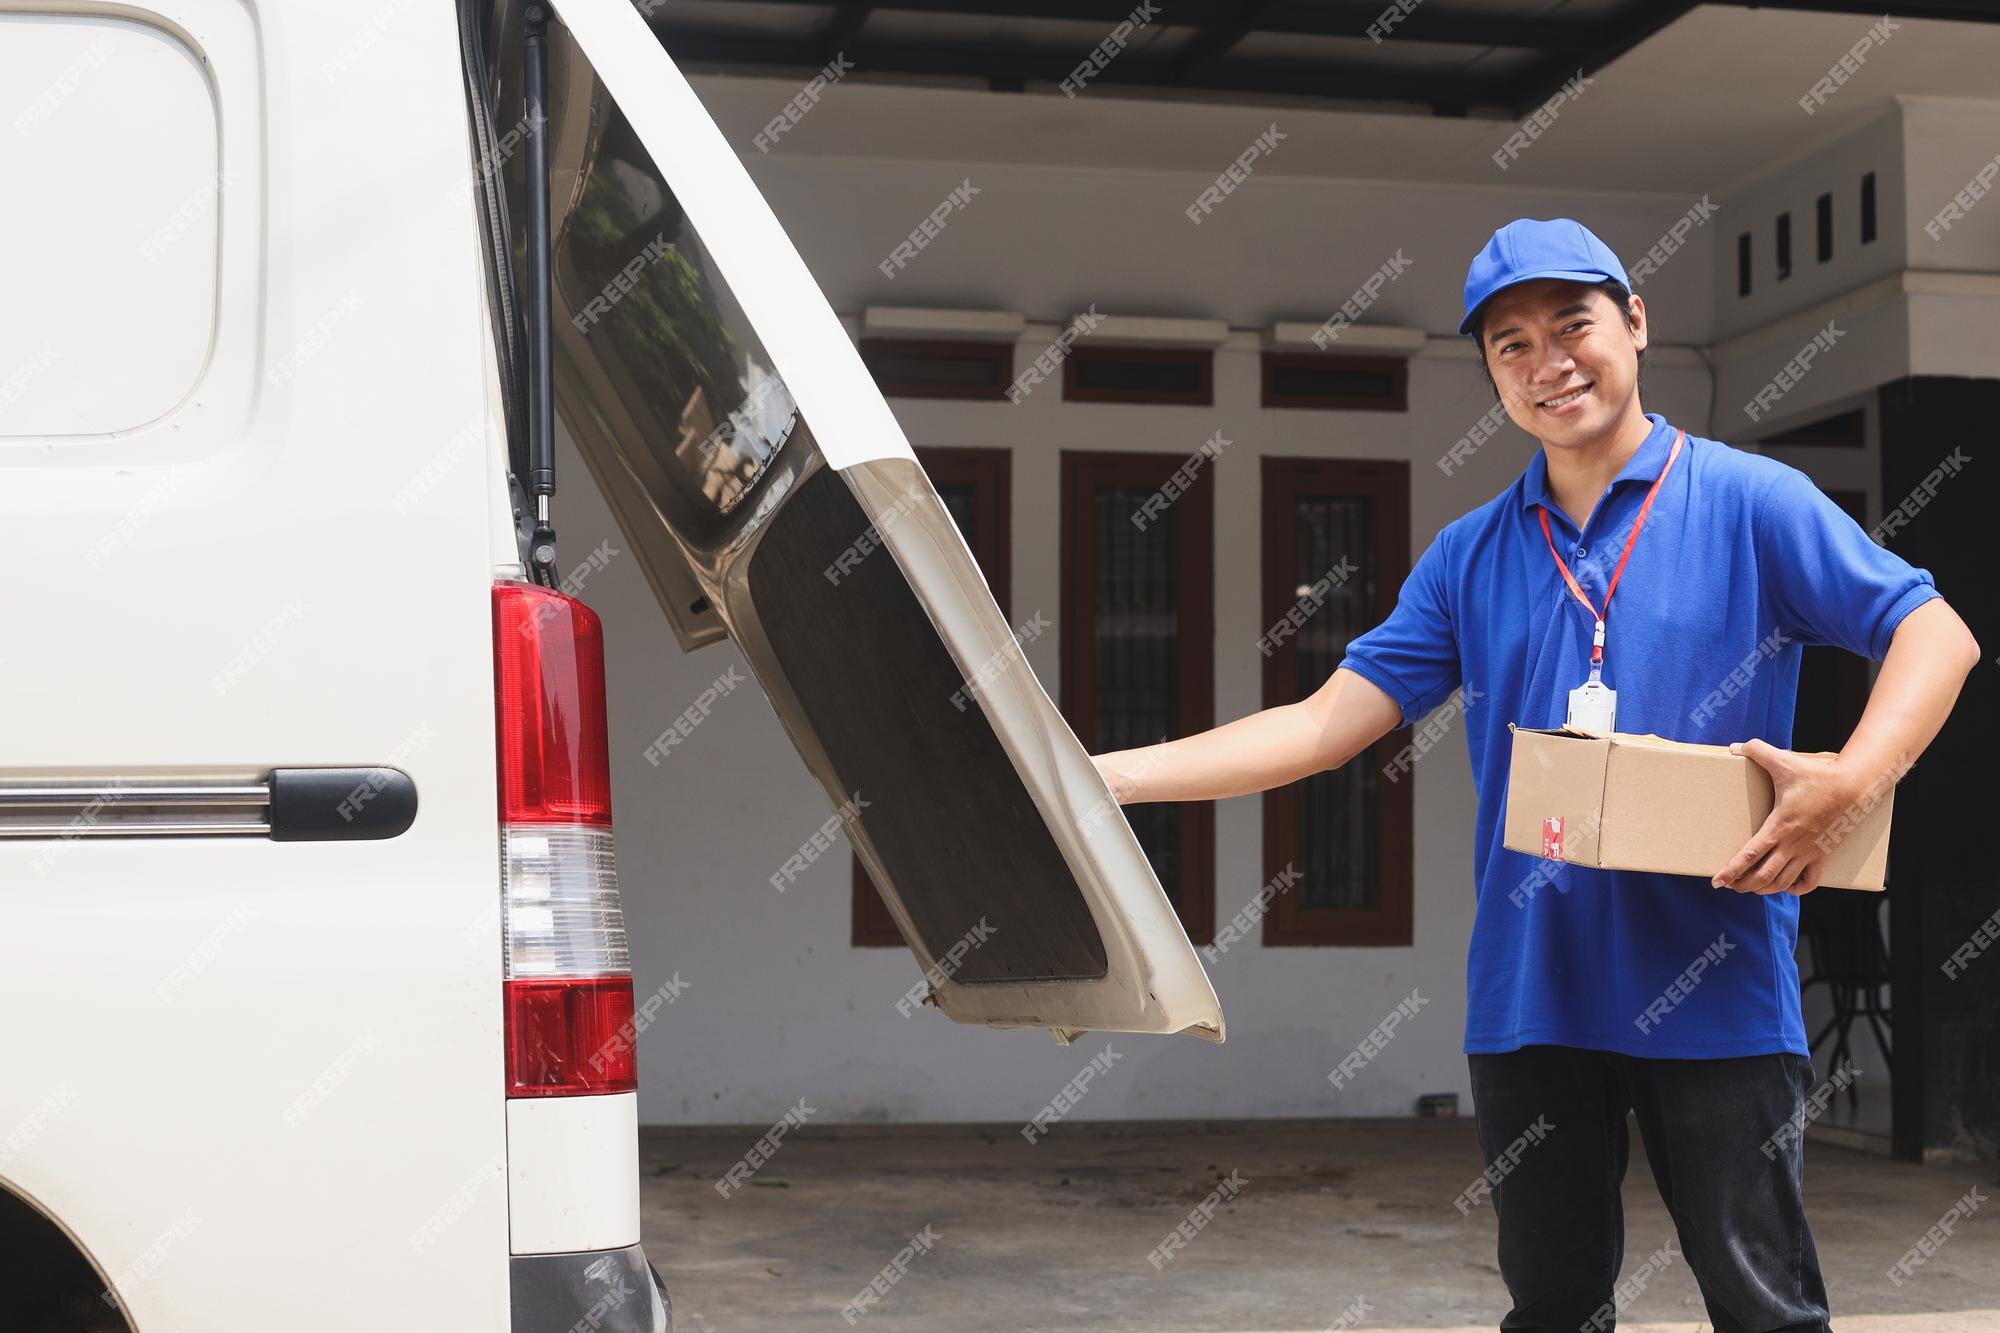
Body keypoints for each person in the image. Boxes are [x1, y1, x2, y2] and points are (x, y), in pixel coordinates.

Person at [1092, 217, 1980, 1332]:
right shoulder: (1469, 553)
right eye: (1509, 345)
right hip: (1531, 998)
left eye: (1571, 325)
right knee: (1552, 1305)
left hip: (1716, 986)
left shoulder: (1748, 503)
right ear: (1490, 374)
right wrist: (1098, 779)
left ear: (1636, 324)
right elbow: (1324, 723)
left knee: (1764, 1309)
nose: (1546, 362)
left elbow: (1934, 633)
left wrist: (1851, 780)